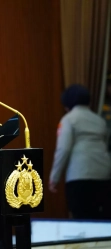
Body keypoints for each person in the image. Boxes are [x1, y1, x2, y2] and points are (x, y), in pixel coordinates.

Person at [49, 83, 111, 219]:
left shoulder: (68, 119)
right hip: (104, 174)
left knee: (82, 220)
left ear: (67, 104)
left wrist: (54, 177)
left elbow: (63, 149)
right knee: (104, 221)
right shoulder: (99, 120)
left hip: (79, 176)